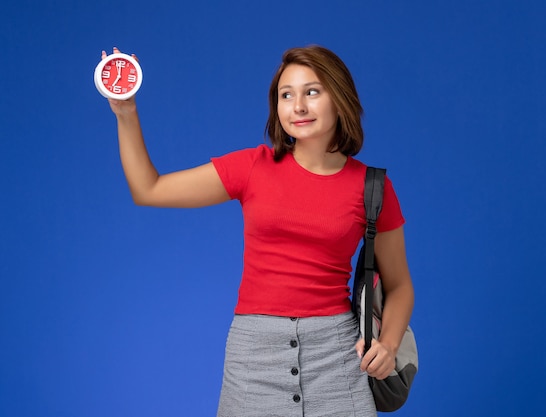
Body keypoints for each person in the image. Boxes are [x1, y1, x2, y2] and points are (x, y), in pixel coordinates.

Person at [101, 45, 414, 417]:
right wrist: (126, 112)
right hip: (254, 357)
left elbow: (399, 286)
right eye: (286, 95)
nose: (297, 106)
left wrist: (389, 345)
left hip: (339, 358)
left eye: (311, 92)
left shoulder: (372, 187)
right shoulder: (252, 167)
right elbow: (148, 189)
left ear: (340, 97)